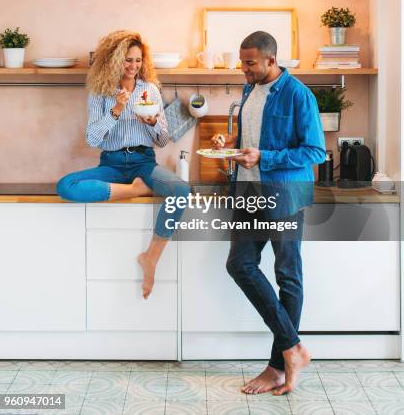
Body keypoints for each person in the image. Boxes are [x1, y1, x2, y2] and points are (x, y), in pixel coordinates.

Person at [212, 30, 326, 395]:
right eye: (241, 62)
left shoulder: (299, 96)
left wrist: (265, 157)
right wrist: (232, 144)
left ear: (271, 60)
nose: (243, 69)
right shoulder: (250, 89)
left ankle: (278, 365)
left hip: (284, 195)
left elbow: (314, 151)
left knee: (287, 276)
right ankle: (293, 348)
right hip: (248, 191)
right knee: (239, 264)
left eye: (249, 63)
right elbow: (254, 139)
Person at [57, 30, 190, 299]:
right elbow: (92, 138)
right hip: (112, 165)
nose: (133, 66)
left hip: (144, 163)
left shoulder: (149, 90)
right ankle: (136, 190)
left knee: (181, 191)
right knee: (66, 186)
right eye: (128, 60)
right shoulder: (101, 92)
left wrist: (153, 124)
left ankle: (151, 256)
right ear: (115, 60)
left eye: (138, 61)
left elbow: (164, 140)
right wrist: (115, 111)